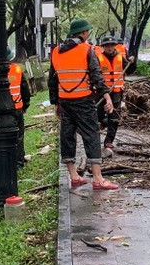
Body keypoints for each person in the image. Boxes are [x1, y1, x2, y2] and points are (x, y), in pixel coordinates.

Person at [48, 18, 118, 190]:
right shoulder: (87, 49)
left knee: (67, 135)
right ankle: (98, 179)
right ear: (84, 33)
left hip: (65, 101)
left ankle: (74, 176)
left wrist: (56, 103)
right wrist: (107, 97)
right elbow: (96, 76)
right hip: (84, 100)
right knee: (91, 135)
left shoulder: (56, 51)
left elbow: (52, 80)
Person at [0, 48, 31, 169]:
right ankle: (19, 162)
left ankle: (5, 161)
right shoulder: (18, 69)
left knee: (3, 135)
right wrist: (26, 105)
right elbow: (25, 88)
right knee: (18, 136)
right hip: (17, 108)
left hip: (0, 110)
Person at [96, 35, 135, 150]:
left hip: (117, 92)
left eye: (111, 46)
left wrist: (132, 62)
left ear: (114, 46)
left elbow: (130, 70)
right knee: (98, 114)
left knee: (114, 116)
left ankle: (109, 141)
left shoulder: (120, 58)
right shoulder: (98, 58)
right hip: (101, 92)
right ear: (103, 47)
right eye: (107, 46)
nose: (109, 48)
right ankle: (104, 122)